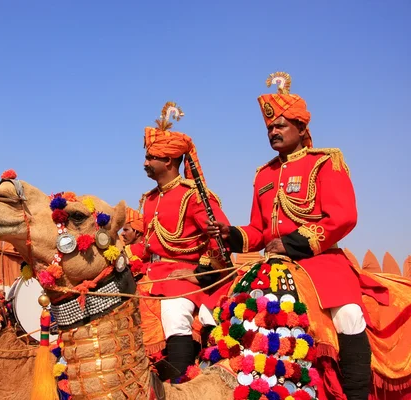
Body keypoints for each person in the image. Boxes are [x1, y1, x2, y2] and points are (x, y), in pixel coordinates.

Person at [207, 72, 371, 400]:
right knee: (224, 314)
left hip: (321, 263)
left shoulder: (325, 162)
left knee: (349, 316)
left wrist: (295, 242)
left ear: (301, 128)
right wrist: (232, 234)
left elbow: (344, 217)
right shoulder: (263, 174)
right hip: (273, 266)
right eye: (269, 128)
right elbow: (258, 230)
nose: (274, 132)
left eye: (280, 125)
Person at [124, 102, 231, 381]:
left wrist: (198, 274)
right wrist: (116, 253)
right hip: (151, 276)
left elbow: (220, 239)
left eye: (150, 158)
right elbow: (146, 247)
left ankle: (180, 384)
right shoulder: (149, 199)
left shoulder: (193, 195)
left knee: (174, 311)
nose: (145, 163)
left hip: (185, 277)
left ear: (169, 161)